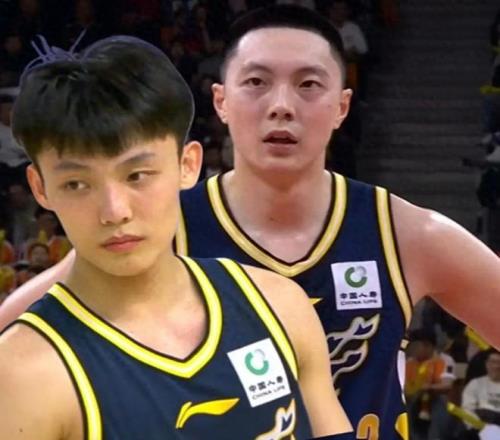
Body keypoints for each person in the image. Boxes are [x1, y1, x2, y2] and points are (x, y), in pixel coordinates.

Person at [2, 4, 500, 439]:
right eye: (257, 82)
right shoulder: (147, 226)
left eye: (308, 85)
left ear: (342, 106)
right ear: (221, 101)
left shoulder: (406, 233)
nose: (281, 107)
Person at [0, 35, 352, 439]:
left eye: (137, 175)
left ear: (188, 165)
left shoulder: (279, 306)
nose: (115, 211)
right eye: (77, 184)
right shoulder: (23, 375)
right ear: (40, 187)